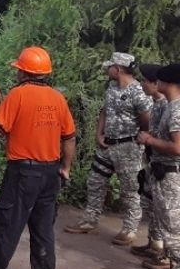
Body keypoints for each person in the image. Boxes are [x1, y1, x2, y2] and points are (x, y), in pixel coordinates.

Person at [0, 46, 76, 269]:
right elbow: (69, 137)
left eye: (18, 70)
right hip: (50, 173)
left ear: (24, 72)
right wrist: (65, 168)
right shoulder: (58, 98)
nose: (16, 74)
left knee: (8, 225)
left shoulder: (18, 95)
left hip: (23, 173)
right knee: (43, 229)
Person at [65, 52, 152, 245]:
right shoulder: (112, 87)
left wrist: (142, 137)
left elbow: (146, 117)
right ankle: (89, 220)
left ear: (118, 69)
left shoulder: (137, 91)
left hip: (128, 147)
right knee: (95, 181)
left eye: (110, 66)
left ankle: (129, 229)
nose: (107, 69)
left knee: (129, 189)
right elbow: (105, 110)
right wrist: (99, 133)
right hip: (107, 145)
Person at [135, 63, 180, 269]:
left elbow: (178, 147)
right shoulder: (172, 107)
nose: (155, 83)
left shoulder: (177, 109)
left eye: (159, 80)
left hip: (172, 175)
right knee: (167, 223)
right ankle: (172, 267)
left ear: (168, 83)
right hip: (164, 173)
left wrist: (149, 140)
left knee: (173, 226)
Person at [132, 63, 170, 269]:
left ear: (156, 84)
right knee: (151, 205)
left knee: (165, 211)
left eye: (146, 80)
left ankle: (165, 254)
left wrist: (149, 140)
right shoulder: (155, 104)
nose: (143, 84)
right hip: (153, 162)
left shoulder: (168, 106)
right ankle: (154, 244)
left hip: (165, 165)